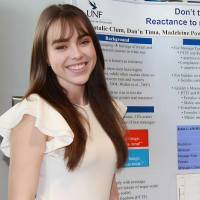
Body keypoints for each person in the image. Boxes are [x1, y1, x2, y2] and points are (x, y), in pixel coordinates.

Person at [0, 4, 128, 200]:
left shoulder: (108, 110)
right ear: (45, 56)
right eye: (62, 46)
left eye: (84, 41)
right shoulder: (34, 115)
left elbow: (111, 192)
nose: (77, 54)